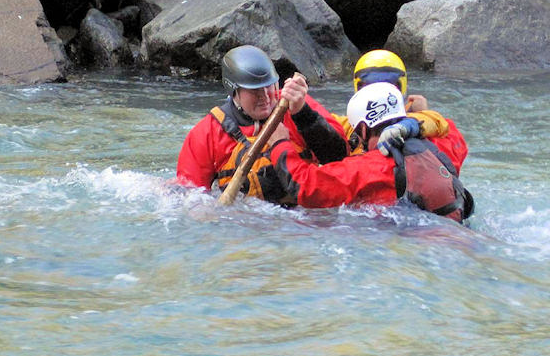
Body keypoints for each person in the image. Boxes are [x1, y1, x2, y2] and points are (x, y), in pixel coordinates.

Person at [266, 82, 474, 223]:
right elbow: (453, 134)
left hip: (411, 245)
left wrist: (279, 144)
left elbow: (305, 188)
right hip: (455, 230)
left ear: (363, 130)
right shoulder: (441, 147)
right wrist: (418, 118)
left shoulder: (369, 169)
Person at [176, 45, 350, 204]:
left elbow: (339, 158)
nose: (266, 97)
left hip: (302, 216)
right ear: (234, 91)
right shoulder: (206, 134)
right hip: (247, 223)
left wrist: (303, 114)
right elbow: (191, 198)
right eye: (255, 91)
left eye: (269, 86)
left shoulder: (297, 105)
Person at [332, 49, 450, 154]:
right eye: (370, 86)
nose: (380, 94)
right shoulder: (349, 125)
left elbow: (438, 123)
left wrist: (411, 123)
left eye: (388, 85)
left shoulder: (416, 121)